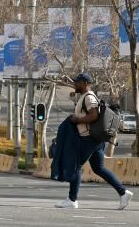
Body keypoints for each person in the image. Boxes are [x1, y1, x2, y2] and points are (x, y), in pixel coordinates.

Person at [55, 72, 134, 210]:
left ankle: (72, 200)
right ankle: (123, 193)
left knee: (76, 166)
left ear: (85, 83)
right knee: (98, 168)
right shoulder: (86, 97)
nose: (75, 84)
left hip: (88, 139)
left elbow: (94, 116)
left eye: (77, 82)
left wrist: (77, 120)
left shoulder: (89, 98)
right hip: (95, 140)